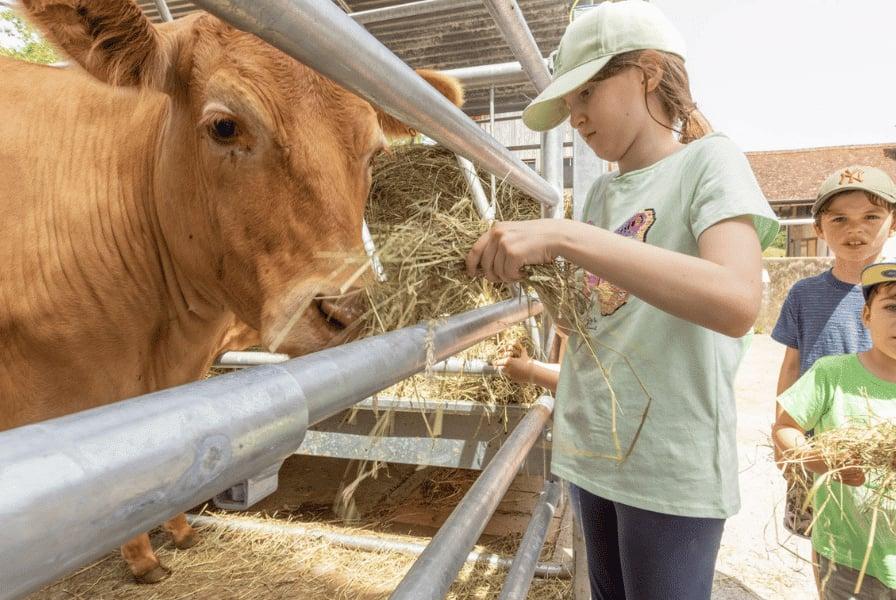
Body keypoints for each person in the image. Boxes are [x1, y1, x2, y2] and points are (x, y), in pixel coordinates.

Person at [464, 2, 778, 598]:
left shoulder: (710, 162)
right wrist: (536, 277)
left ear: (648, 72)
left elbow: (738, 301)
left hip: (667, 462)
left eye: (585, 94)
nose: (576, 118)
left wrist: (564, 235)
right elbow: (598, 323)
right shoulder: (603, 194)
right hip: (593, 451)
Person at [773, 166, 896, 536]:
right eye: (839, 218)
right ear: (818, 229)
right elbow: (791, 365)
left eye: (871, 217)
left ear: (892, 224)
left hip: (882, 447)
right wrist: (785, 444)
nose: (854, 229)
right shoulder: (803, 294)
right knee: (823, 536)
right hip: (819, 449)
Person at [772, 262, 896, 599]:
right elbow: (785, 427)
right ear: (866, 315)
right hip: (848, 558)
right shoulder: (833, 375)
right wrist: (815, 457)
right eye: (892, 306)